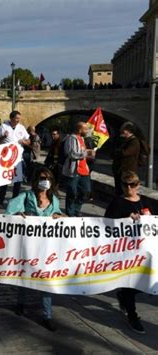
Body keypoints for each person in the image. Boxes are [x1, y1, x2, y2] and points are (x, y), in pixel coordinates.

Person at [5, 167, 63, 332]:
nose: (46, 181)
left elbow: (59, 216)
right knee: (25, 276)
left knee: (45, 281)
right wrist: (18, 216)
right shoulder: (26, 197)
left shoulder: (54, 200)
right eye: (43, 178)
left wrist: (61, 217)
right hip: (29, 246)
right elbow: (8, 211)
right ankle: (20, 304)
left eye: (49, 178)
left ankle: (47, 315)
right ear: (36, 180)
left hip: (47, 248)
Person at [104, 171, 151, 334]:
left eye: (132, 184)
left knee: (146, 282)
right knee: (130, 284)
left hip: (142, 251)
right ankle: (132, 315)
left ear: (138, 186)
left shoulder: (143, 201)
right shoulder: (118, 202)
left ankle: (123, 296)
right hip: (124, 252)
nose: (129, 188)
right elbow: (107, 222)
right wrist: (125, 217)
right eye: (125, 184)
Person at [0, 111, 30, 209]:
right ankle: (0, 201)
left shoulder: (21, 128)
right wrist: (3, 136)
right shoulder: (3, 127)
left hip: (18, 159)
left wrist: (24, 141)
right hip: (6, 159)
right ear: (11, 118)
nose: (18, 120)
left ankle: (14, 203)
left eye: (19, 118)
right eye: (17, 118)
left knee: (17, 182)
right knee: (5, 181)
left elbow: (28, 140)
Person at [62, 122, 95, 217]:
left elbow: (82, 153)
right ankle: (70, 212)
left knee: (86, 191)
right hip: (74, 170)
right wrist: (86, 153)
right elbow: (71, 154)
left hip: (84, 170)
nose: (87, 131)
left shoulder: (82, 139)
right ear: (79, 129)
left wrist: (89, 154)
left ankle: (76, 209)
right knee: (72, 192)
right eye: (85, 129)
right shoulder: (72, 138)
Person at [112, 122, 140, 196]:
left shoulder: (134, 142)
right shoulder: (124, 140)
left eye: (123, 130)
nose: (121, 132)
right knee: (118, 189)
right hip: (120, 170)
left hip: (127, 171)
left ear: (127, 131)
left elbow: (125, 153)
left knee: (125, 190)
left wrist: (117, 152)